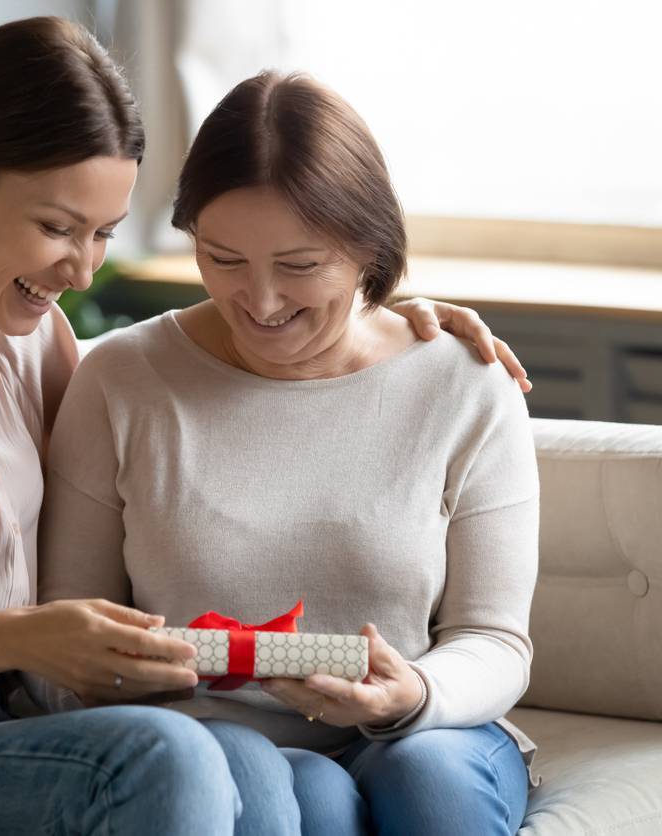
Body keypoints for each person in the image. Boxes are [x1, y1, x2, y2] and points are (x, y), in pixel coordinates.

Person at [0, 17, 527, 836]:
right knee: (176, 756)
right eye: (57, 228)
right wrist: (28, 636)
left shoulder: (29, 338)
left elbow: (216, 382)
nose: (82, 269)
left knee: (244, 762)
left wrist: (379, 314)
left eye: (102, 234)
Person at [35, 71, 542, 836]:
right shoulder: (124, 380)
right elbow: (58, 644)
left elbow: (495, 639)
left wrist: (414, 696)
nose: (261, 303)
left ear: (371, 248)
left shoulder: (462, 382)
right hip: (214, 744)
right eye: (223, 258)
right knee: (309, 793)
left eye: (300, 266)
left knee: (428, 776)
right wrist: (116, 676)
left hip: (426, 728)